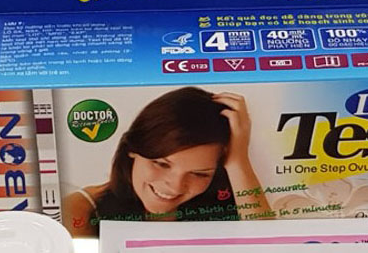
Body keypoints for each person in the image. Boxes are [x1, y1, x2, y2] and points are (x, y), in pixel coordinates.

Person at [64, 87, 272, 236]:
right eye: (162, 164)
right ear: (133, 150)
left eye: (199, 174)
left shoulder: (218, 204)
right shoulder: (81, 208)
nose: (175, 187)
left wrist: (237, 161)